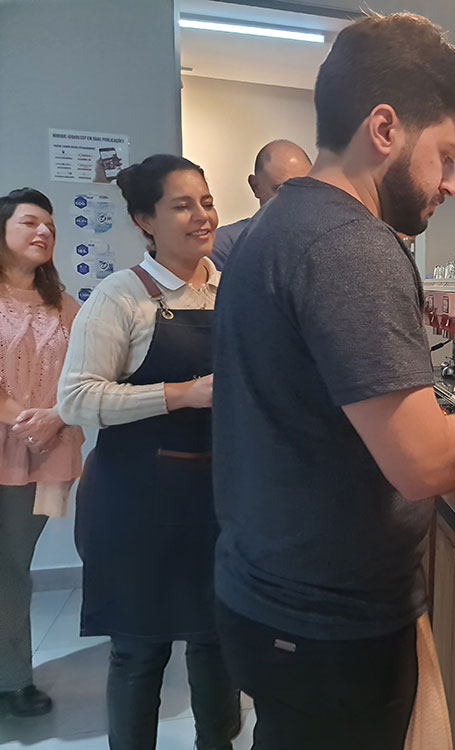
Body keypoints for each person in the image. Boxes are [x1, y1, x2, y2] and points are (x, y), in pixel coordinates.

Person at [213, 13, 455, 750]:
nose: (452, 183)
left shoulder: (272, 227)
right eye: (446, 155)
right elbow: (424, 462)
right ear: (384, 129)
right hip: (325, 622)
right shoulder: (354, 246)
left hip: (265, 592)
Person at [58, 155, 240, 750]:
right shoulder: (120, 297)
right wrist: (182, 393)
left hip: (217, 501)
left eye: (206, 201)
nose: (202, 216)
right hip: (136, 504)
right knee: (139, 650)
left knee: (217, 643)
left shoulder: (233, 291)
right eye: (182, 205)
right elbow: (76, 399)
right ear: (144, 220)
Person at [0, 188, 84, 717]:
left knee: (11, 567)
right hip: (20, 433)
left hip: (39, 453)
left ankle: (13, 679)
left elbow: (86, 376)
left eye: (50, 225)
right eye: (30, 222)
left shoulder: (66, 307)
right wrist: (20, 416)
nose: (44, 231)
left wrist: (53, 416)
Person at [210, 140, 312, 269]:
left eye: (303, 188)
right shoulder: (226, 246)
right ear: (255, 186)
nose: (295, 199)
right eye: (282, 190)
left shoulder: (326, 239)